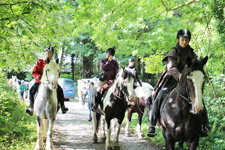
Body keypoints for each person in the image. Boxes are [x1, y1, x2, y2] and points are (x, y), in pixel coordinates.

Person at [147, 29, 210, 137]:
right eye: (182, 40)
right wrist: (181, 77)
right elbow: (171, 68)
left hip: (187, 82)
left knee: (199, 99)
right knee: (159, 96)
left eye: (186, 40)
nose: (184, 42)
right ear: (178, 39)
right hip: (171, 80)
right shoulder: (173, 51)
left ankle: (205, 125)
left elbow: (195, 65)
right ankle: (152, 125)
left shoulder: (192, 53)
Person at [25, 46, 68, 116]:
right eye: (48, 53)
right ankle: (31, 108)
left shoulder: (53, 63)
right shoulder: (40, 62)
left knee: (60, 90)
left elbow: (57, 73)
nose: (49, 54)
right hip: (40, 82)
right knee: (31, 90)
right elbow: (34, 72)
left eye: (50, 53)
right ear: (45, 53)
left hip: (50, 82)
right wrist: (38, 76)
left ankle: (63, 106)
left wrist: (54, 78)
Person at [92, 48, 119, 114]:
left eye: (110, 54)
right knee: (98, 90)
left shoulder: (115, 63)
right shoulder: (102, 60)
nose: (108, 55)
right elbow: (103, 68)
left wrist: (116, 78)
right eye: (107, 54)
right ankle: (96, 105)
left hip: (112, 80)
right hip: (103, 80)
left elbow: (117, 71)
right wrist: (109, 61)